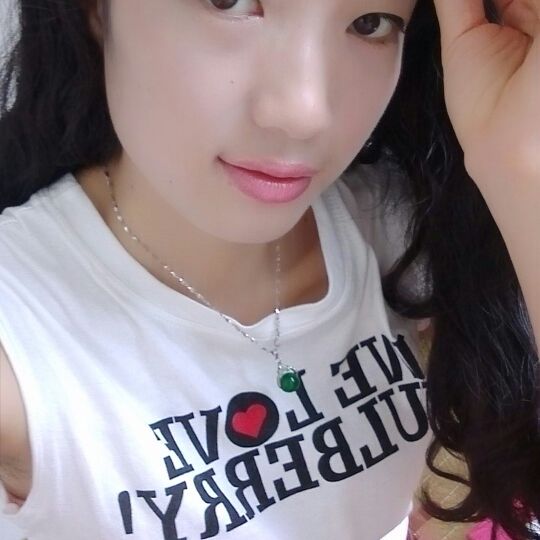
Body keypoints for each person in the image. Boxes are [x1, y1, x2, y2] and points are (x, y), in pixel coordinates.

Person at [0, 0, 537, 539]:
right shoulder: (21, 334)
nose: (305, 111)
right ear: (95, 9)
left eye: (369, 24)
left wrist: (521, 170)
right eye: (230, 2)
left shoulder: (400, 227)